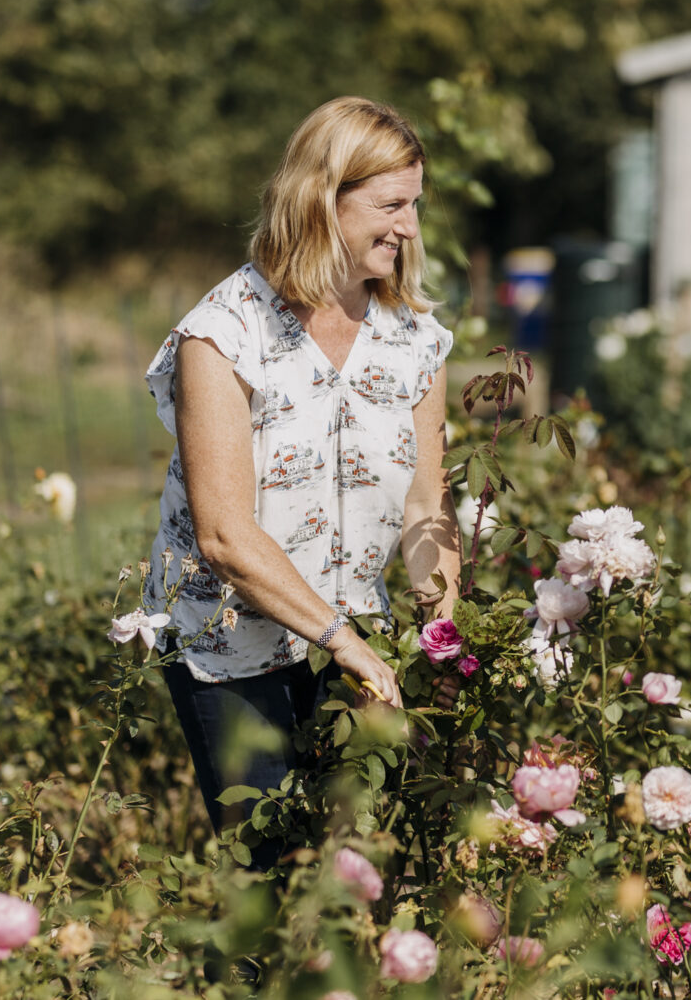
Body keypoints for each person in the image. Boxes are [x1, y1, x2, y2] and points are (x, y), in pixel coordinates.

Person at [141, 97, 459, 867]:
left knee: (353, 871)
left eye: (415, 204)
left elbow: (426, 505)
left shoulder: (413, 339)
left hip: (356, 643)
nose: (410, 226)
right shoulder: (224, 334)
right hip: (230, 648)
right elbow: (224, 533)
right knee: (270, 868)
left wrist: (444, 638)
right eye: (390, 205)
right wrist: (340, 638)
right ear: (323, 200)